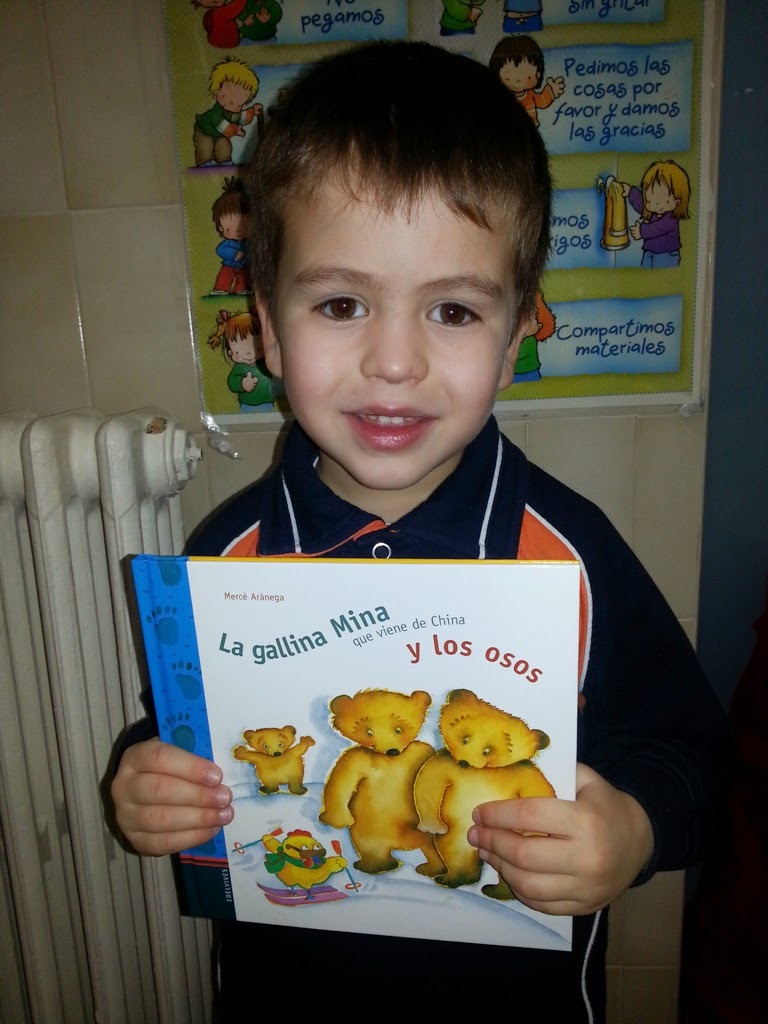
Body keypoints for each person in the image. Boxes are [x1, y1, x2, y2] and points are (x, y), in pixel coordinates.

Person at [111, 41, 727, 1020]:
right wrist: (152, 780)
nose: (394, 361)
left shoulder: (573, 556)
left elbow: (695, 755)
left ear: (516, 337)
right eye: (341, 303)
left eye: (451, 309)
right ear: (267, 328)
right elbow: (188, 737)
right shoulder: (225, 558)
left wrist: (637, 830)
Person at [620, 159, 692, 269]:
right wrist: (630, 192)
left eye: (658, 202)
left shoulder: (671, 218)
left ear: (676, 202)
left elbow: (658, 227)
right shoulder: (653, 210)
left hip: (666, 255)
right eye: (649, 200)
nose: (652, 205)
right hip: (649, 253)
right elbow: (641, 204)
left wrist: (641, 231)